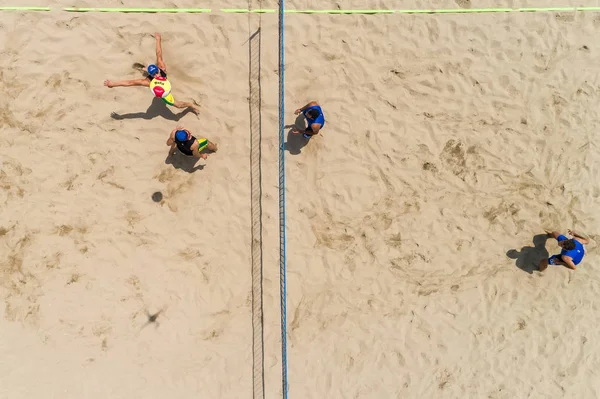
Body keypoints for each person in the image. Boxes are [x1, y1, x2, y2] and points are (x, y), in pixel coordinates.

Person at [103, 33, 199, 115]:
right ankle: (191, 105)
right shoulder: (148, 82)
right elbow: (130, 83)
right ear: (151, 75)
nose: (157, 75)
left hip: (164, 84)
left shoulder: (162, 68)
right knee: (177, 105)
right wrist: (113, 84)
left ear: (158, 69)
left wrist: (158, 39)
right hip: (161, 92)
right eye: (153, 74)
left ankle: (144, 68)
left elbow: (158, 53)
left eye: (156, 72)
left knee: (159, 59)